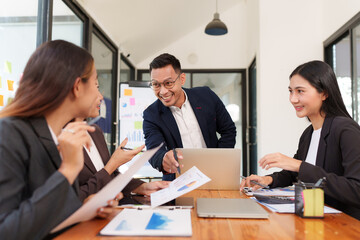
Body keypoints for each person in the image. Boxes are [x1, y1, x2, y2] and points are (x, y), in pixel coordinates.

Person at [0, 40, 118, 239]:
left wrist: (85, 207)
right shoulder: (9, 133)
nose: (100, 94)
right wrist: (68, 169)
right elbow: (7, 232)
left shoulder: (54, 135)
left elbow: (46, 213)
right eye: (95, 82)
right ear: (77, 86)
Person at [239, 60, 360, 220]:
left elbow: (356, 190)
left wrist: (298, 165)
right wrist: (267, 180)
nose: (293, 99)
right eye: (291, 91)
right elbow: (294, 173)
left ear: (324, 93)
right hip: (312, 220)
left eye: (300, 91)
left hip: (344, 225)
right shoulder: (309, 133)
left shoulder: (346, 129)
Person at [143, 53, 236, 181]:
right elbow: (154, 151)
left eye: (168, 83)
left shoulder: (206, 96)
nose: (163, 91)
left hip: (214, 175)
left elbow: (228, 130)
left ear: (182, 79)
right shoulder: (151, 114)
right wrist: (163, 158)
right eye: (156, 85)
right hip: (178, 181)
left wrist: (217, 161)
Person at [76, 90, 169, 202]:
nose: (101, 97)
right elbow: (72, 200)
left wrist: (142, 187)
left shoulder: (95, 132)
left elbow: (111, 176)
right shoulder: (59, 139)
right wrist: (113, 164)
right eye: (94, 88)